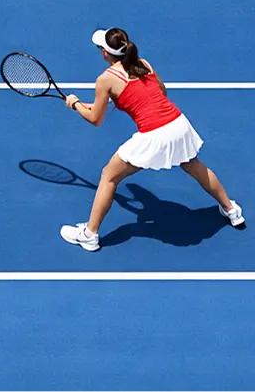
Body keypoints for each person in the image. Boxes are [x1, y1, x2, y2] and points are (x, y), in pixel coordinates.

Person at [60, 27, 245, 251]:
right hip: (178, 123)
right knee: (193, 165)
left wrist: (75, 104)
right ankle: (232, 210)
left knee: (109, 176)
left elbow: (95, 119)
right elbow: (160, 92)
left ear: (105, 53)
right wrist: (115, 101)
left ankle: (89, 235)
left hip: (154, 134)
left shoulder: (105, 80)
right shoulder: (143, 64)